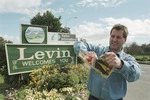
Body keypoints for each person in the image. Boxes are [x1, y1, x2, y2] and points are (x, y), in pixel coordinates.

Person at [73, 24, 141, 100]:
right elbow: (78, 44)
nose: (114, 39)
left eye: (118, 37)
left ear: (125, 40)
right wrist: (85, 52)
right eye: (112, 36)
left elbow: (135, 75)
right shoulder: (98, 50)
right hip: (93, 98)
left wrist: (120, 64)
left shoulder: (127, 58)